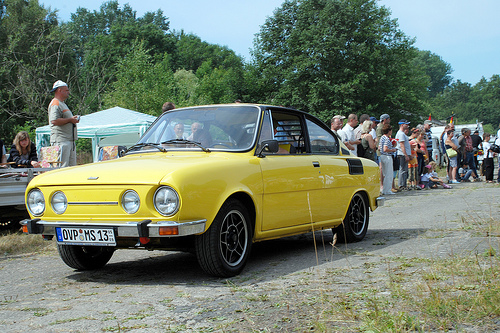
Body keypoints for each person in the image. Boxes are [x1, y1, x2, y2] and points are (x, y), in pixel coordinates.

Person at [48, 80, 79, 167]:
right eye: (66, 90)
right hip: (61, 140)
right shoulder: (55, 103)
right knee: (62, 167)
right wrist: (70, 120)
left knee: (71, 167)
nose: (68, 92)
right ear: (59, 90)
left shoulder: (63, 104)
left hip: (69, 140)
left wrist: (72, 119)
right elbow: (54, 121)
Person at [378, 124, 396, 195]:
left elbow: (380, 147)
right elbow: (385, 149)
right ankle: (387, 190)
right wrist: (393, 150)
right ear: (389, 131)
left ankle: (385, 189)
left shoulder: (382, 137)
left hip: (382, 156)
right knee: (389, 174)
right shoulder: (386, 138)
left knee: (385, 173)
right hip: (387, 156)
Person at [395, 119, 411, 190]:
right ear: (402, 125)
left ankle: (403, 184)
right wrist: (406, 155)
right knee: (402, 170)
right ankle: (401, 185)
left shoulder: (402, 133)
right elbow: (402, 145)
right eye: (406, 124)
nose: (407, 126)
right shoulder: (401, 134)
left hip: (404, 154)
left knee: (405, 170)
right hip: (402, 154)